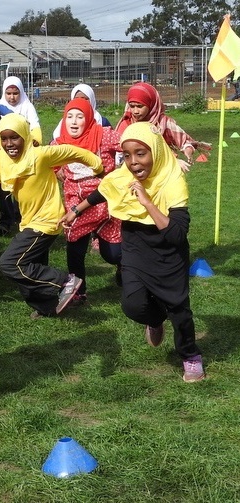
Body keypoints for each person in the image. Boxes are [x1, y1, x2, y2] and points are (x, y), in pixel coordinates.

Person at [59, 122, 205, 383]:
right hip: (135, 245)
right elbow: (101, 192)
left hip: (168, 252)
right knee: (132, 305)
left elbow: (176, 235)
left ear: (156, 152)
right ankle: (155, 319)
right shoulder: (122, 177)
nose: (134, 162)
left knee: (179, 311)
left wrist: (147, 201)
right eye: (127, 155)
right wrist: (75, 211)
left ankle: (190, 355)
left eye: (141, 153)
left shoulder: (172, 179)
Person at [0, 113, 101, 318]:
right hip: (28, 222)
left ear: (25, 136)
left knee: (10, 264)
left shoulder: (40, 155)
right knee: (28, 269)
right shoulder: (0, 160)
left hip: (47, 220)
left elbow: (73, 151)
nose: (9, 143)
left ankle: (65, 281)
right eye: (4, 138)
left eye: (15, 137)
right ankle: (46, 307)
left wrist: (97, 166)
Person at [51, 97, 122, 305]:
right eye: (69, 116)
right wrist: (59, 170)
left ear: (89, 118)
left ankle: (124, 267)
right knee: (75, 247)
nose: (73, 122)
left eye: (79, 117)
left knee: (113, 254)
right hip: (76, 204)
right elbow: (45, 161)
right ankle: (79, 292)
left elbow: (131, 145)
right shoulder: (58, 143)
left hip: (105, 202)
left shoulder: (104, 136)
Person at [115, 82, 210, 171]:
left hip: (161, 173)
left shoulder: (163, 122)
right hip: (133, 174)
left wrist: (188, 151)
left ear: (151, 104)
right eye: (132, 106)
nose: (135, 111)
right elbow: (117, 151)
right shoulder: (126, 124)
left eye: (140, 106)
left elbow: (185, 141)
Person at [0, 77, 41, 236]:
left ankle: (22, 217)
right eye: (8, 93)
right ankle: (5, 221)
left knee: (23, 186)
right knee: (4, 188)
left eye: (15, 93)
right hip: (4, 154)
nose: (12, 97)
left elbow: (34, 126)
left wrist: (35, 140)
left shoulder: (27, 107)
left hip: (23, 154)